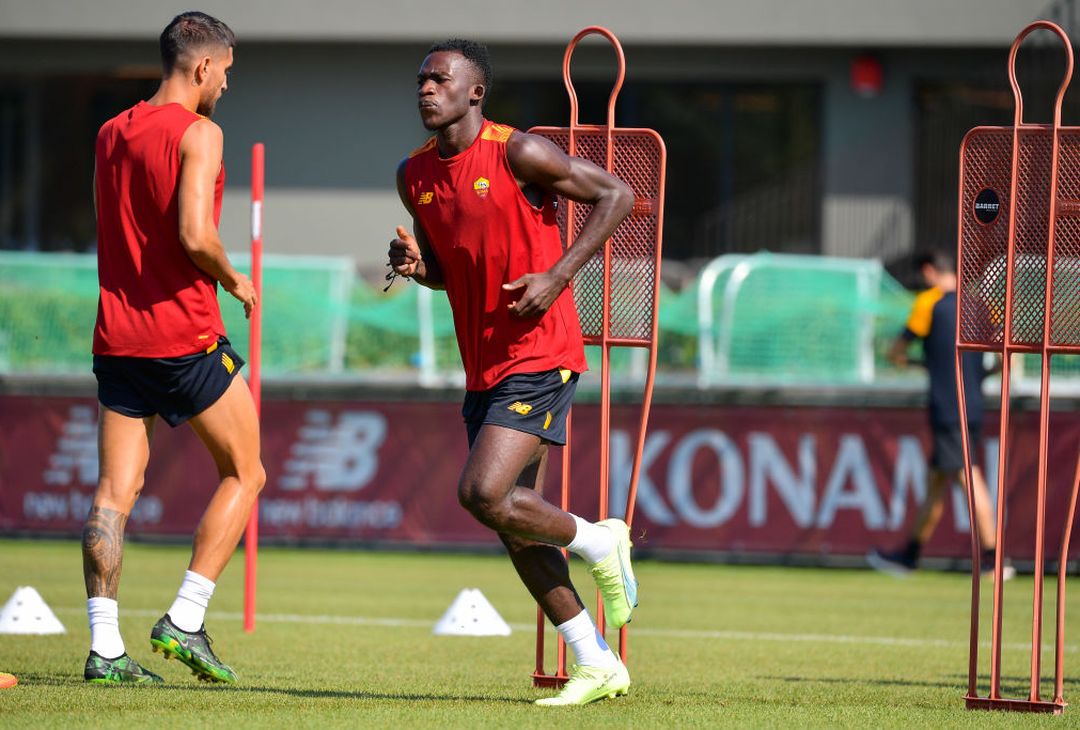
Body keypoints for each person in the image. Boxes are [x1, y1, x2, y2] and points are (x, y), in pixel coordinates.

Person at [388, 39, 637, 706]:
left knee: (482, 493)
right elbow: (450, 268)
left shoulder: (516, 151)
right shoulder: (413, 174)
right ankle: (595, 661)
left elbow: (618, 194)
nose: (426, 89)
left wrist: (558, 276)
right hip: (484, 366)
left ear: (476, 92)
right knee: (512, 522)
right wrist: (420, 269)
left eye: (440, 78)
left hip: (541, 355)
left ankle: (598, 539)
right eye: (421, 79)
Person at [83, 11, 265, 684]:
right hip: (184, 337)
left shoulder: (109, 132)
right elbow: (193, 233)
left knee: (114, 492)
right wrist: (235, 278)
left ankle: (105, 650)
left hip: (117, 339)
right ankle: (185, 620)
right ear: (202, 67)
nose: (226, 85)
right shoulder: (200, 131)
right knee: (247, 474)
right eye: (226, 72)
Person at [869, 250, 1013, 580]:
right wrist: (981, 375)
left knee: (967, 475)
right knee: (937, 482)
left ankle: (993, 558)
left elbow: (896, 351)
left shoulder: (929, 303)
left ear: (930, 271)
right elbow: (1006, 357)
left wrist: (921, 364)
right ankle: (908, 556)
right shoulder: (980, 304)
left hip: (948, 407)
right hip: (974, 403)